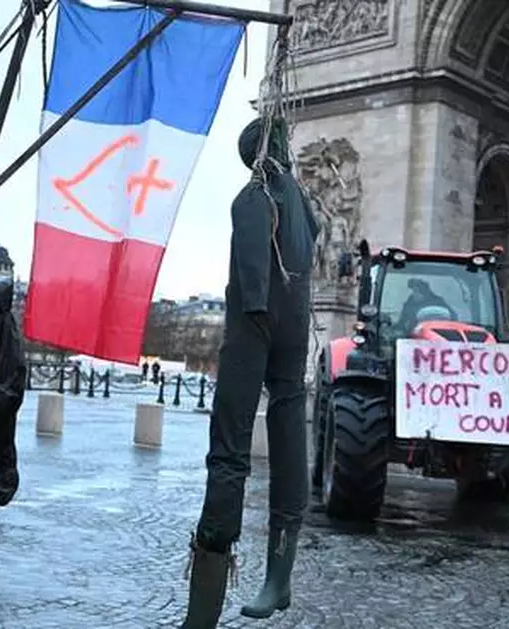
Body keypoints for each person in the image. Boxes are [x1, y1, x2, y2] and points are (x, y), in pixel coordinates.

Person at [179, 116, 318, 628]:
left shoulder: (252, 197)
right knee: (289, 438)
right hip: (296, 325)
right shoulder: (303, 203)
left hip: (253, 326)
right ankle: (279, 577)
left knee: (229, 449)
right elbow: (313, 242)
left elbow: (254, 269)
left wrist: (256, 307)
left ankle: (203, 608)